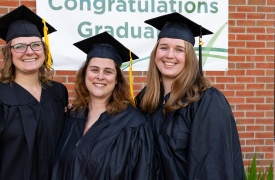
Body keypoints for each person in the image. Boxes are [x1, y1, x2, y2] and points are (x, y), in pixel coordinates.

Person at [0, 5, 69, 180]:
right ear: (9, 53)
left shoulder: (57, 93)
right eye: (20, 46)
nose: (29, 52)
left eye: (36, 45)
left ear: (44, 51)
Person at [135, 12, 245, 179]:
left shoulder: (207, 101)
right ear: (155, 53)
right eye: (163, 47)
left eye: (179, 49)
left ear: (190, 57)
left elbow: (213, 166)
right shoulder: (145, 100)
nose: (169, 55)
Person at [51, 32, 155, 180]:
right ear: (85, 74)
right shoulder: (72, 117)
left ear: (117, 79)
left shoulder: (134, 124)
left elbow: (143, 173)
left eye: (108, 72)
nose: (100, 76)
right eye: (94, 70)